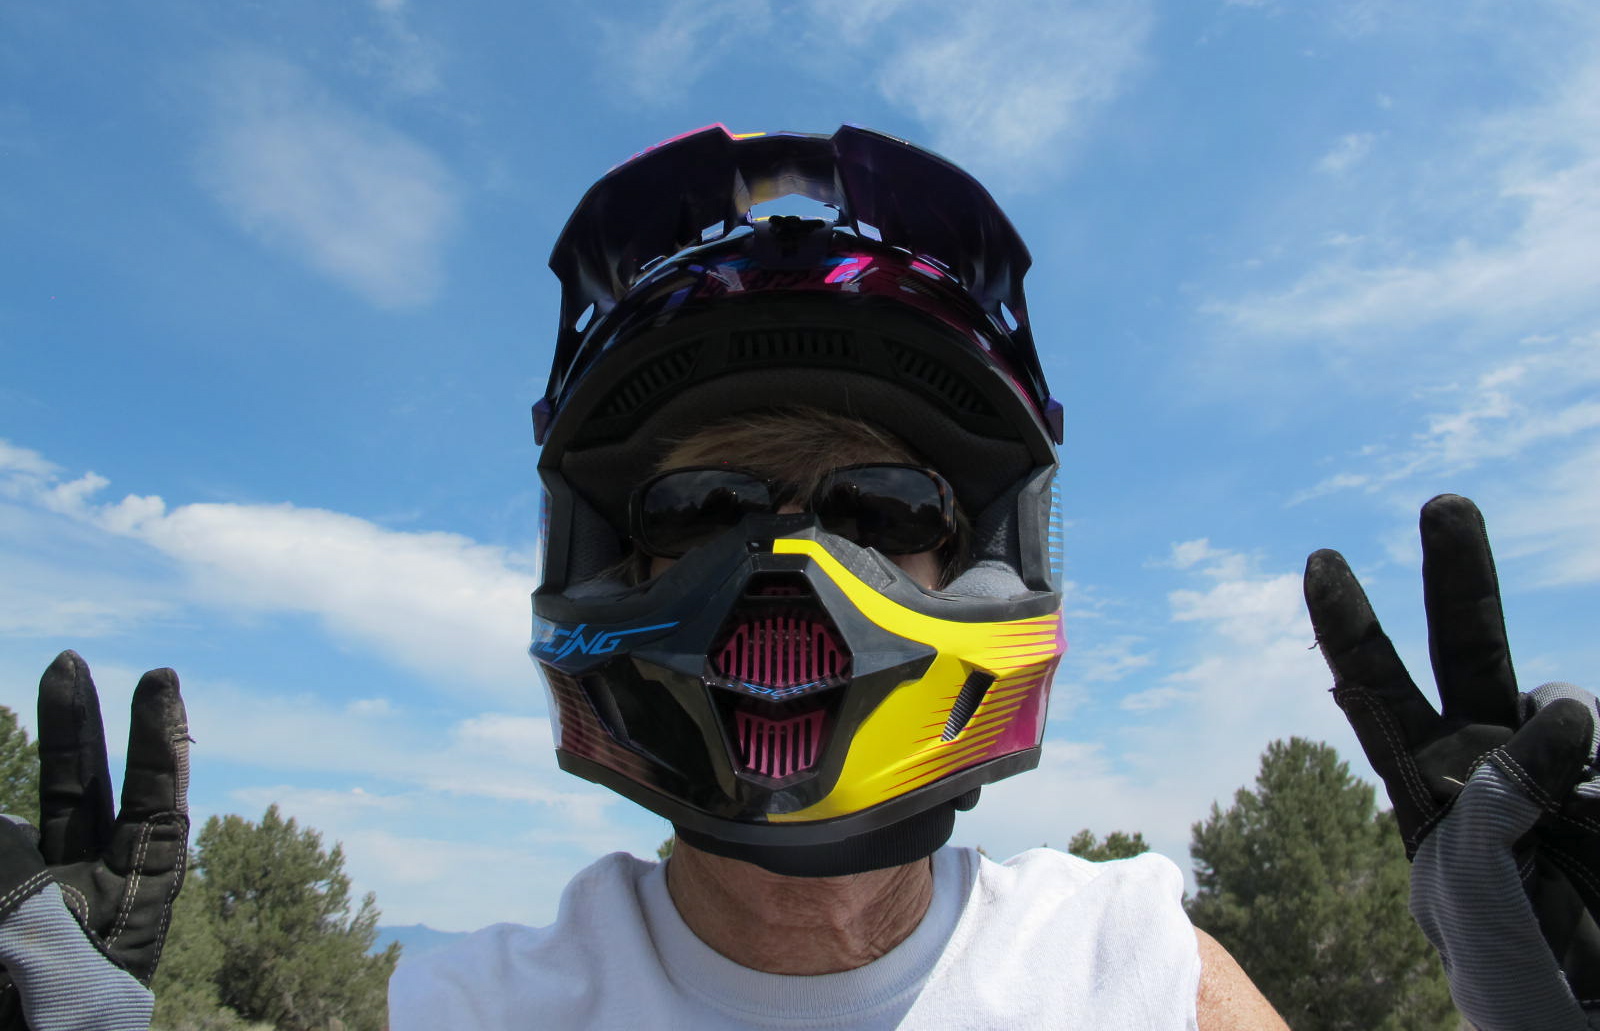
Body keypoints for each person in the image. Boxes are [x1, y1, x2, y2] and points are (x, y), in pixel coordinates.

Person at [389, 124, 1287, 1029]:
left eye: (883, 510)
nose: (791, 560)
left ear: (970, 564)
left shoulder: (1131, 967)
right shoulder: (473, 1007)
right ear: (616, 562)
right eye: (701, 509)